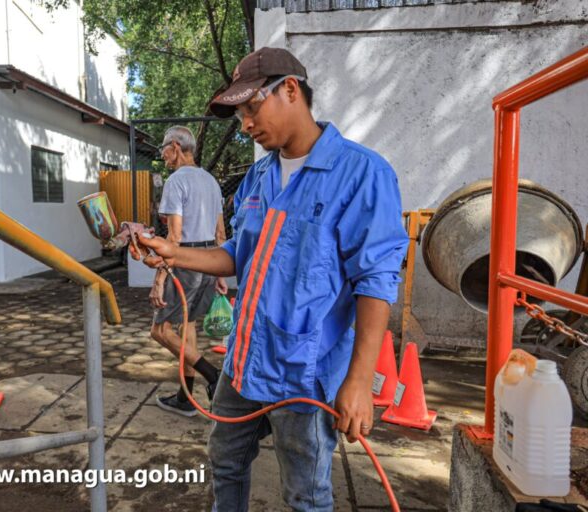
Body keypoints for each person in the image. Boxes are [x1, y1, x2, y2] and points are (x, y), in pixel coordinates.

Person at [132, 47, 409, 511]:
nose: (244, 123)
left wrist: (359, 381)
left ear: (290, 90)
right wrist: (172, 252)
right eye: (239, 113)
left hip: (306, 373)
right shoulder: (259, 177)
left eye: (251, 107)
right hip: (244, 362)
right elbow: (238, 255)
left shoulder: (362, 173)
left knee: (305, 493)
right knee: (224, 461)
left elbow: (376, 280)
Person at [150, 126, 229, 417]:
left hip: (184, 261)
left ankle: (214, 376)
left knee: (160, 331)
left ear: (174, 146)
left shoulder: (175, 181)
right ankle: (186, 398)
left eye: (163, 148)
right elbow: (221, 231)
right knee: (189, 326)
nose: (162, 154)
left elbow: (174, 238)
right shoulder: (211, 181)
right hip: (209, 259)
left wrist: (159, 280)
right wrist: (220, 273)